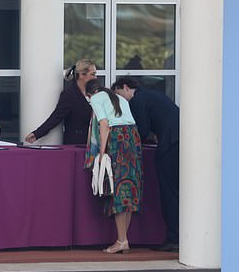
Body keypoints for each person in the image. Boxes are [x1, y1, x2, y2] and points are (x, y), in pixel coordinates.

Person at [112, 77, 180, 252]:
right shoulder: (153, 95)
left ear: (125, 87)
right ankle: (179, 235)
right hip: (178, 140)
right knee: (176, 191)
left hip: (170, 145)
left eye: (119, 94)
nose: (119, 100)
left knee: (168, 192)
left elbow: (141, 131)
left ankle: (174, 238)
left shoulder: (137, 101)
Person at [85, 79, 143, 254]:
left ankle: (121, 241)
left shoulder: (96, 99)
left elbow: (104, 124)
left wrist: (101, 153)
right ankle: (123, 239)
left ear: (90, 94)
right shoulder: (120, 99)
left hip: (118, 138)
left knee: (118, 188)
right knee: (130, 187)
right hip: (133, 137)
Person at [25, 59, 97, 145]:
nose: (95, 77)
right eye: (93, 74)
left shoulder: (97, 92)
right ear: (81, 75)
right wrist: (37, 133)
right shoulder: (69, 94)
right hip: (77, 143)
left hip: (95, 142)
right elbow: (56, 116)